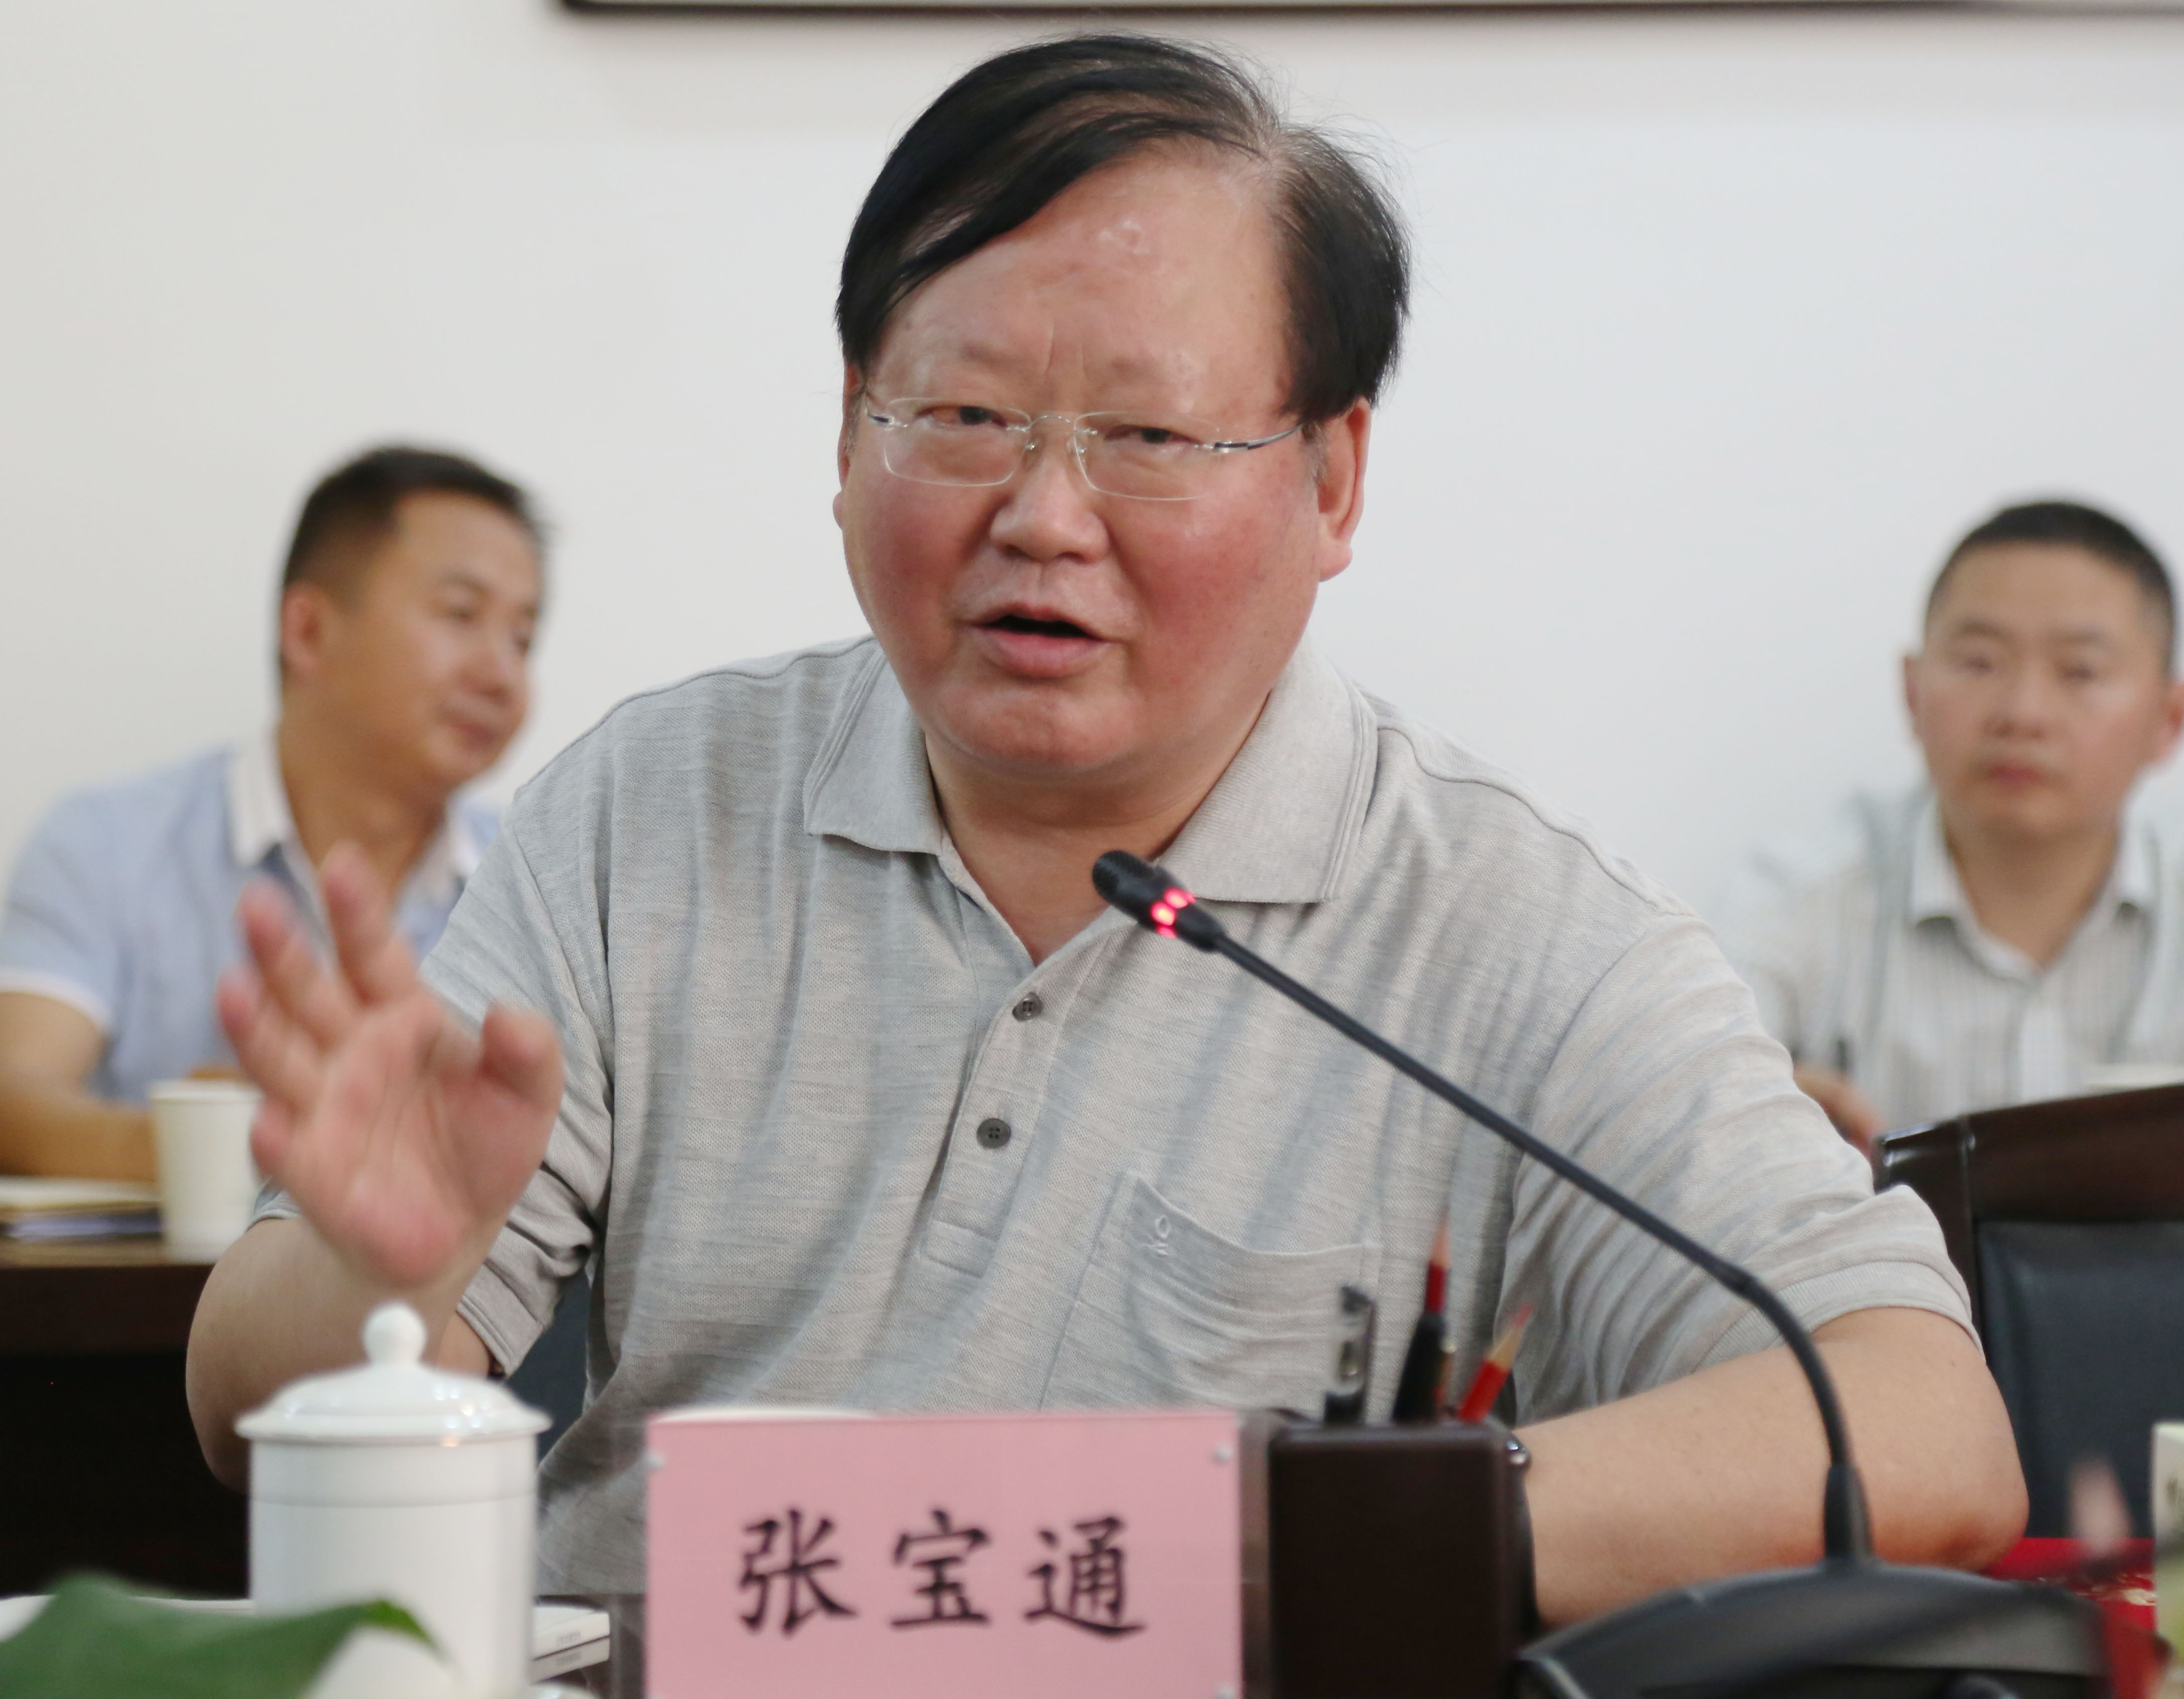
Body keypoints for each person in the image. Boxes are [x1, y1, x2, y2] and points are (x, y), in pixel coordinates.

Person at [186, 38, 2023, 1625]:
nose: (1044, 516)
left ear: (1332, 480)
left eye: (1148, 436)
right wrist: (382, 1272)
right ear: (846, 435)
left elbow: (1922, 1429)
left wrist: (1295, 1534)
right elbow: (248, 1418)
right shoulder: (650, 808)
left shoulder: (1512, 926)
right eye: (964, 415)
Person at [0, 446, 543, 1180]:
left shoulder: (541, 888)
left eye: (522, 638)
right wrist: (230, 1148)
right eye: (460, 614)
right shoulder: (104, 841)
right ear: (308, 631)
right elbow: (14, 1096)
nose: (503, 675)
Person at [1722, 501, 2184, 1152]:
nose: (2023, 713)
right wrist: (1743, 1117)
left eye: (2079, 671)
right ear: (1912, 693)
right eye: (1979, 662)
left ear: (2168, 720)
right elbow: (1693, 1094)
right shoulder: (1796, 895)